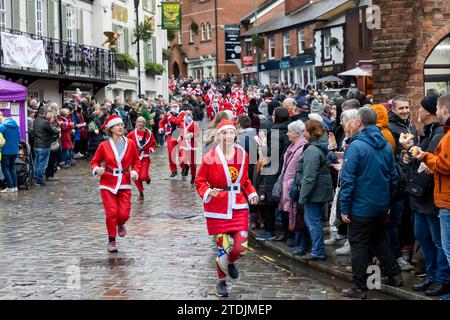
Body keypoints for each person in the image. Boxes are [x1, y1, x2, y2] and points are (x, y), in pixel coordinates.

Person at [340, 107, 403, 299]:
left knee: (359, 245)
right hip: (380, 205)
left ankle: (360, 287)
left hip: (361, 207)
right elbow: (393, 177)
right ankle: (394, 275)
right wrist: (388, 201)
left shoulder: (356, 146)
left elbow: (348, 180)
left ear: (359, 122)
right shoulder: (385, 144)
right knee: (380, 241)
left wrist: (344, 208)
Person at [195, 119, 258, 297]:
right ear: (218, 135)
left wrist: (251, 193)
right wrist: (207, 191)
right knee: (222, 247)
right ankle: (221, 282)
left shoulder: (243, 155)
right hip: (217, 208)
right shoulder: (210, 158)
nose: (228, 136)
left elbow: (245, 180)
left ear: (235, 135)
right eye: (224, 133)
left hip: (238, 206)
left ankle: (230, 262)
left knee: (240, 248)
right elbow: (200, 181)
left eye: (231, 133)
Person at [402, 96, 450, 296]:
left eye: (419, 108)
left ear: (439, 110)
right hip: (424, 196)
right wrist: (411, 156)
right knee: (424, 236)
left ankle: (442, 280)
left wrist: (420, 155)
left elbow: (441, 164)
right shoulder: (429, 131)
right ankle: (433, 277)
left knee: (440, 242)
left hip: (434, 197)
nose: (415, 112)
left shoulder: (442, 133)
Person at [91, 115, 141, 253]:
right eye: (117, 125)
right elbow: (94, 161)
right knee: (111, 212)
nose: (120, 127)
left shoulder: (130, 143)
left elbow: (137, 161)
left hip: (124, 182)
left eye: (121, 125)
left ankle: (121, 223)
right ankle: (111, 240)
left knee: (124, 213)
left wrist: (135, 172)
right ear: (111, 129)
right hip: (107, 183)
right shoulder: (104, 145)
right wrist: (97, 169)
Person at [295, 119, 333, 261]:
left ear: (310, 132)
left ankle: (318, 251)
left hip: (314, 192)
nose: (303, 133)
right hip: (318, 191)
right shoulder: (316, 147)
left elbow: (309, 176)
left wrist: (303, 196)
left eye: (305, 130)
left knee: (313, 222)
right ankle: (317, 250)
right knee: (313, 222)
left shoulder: (311, 150)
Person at [279, 120, 309, 255]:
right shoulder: (293, 145)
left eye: (289, 131)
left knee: (296, 215)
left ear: (296, 133)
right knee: (289, 213)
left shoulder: (302, 147)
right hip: (287, 183)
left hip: (293, 185)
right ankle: (293, 238)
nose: (287, 134)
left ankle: (298, 241)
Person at [127, 116, 156, 201]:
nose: (139, 123)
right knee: (135, 176)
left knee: (142, 177)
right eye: (138, 122)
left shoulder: (149, 133)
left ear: (144, 123)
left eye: (141, 122)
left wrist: (151, 148)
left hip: (145, 157)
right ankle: (141, 193)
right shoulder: (132, 133)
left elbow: (153, 143)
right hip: (135, 158)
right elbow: (126, 142)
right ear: (136, 123)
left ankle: (147, 177)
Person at [33, 105, 60, 186]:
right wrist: (57, 129)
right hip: (44, 145)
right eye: (48, 112)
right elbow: (54, 132)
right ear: (44, 113)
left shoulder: (36, 120)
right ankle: (39, 180)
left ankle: (35, 179)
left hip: (36, 145)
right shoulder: (45, 122)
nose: (49, 114)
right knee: (42, 164)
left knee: (37, 163)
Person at [177, 108, 200, 183]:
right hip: (183, 143)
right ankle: (186, 167)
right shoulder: (181, 124)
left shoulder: (194, 124)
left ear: (191, 116)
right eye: (185, 114)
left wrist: (192, 134)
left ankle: (193, 176)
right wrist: (179, 137)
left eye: (188, 115)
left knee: (193, 163)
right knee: (182, 158)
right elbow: (181, 132)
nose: (186, 116)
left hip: (192, 145)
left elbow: (197, 134)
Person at [0, 113, 20, 192]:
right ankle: (15, 187)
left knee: (5, 168)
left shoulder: (2, 127)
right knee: (12, 168)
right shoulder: (15, 125)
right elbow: (19, 137)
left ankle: (10, 187)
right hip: (14, 151)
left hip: (5, 151)